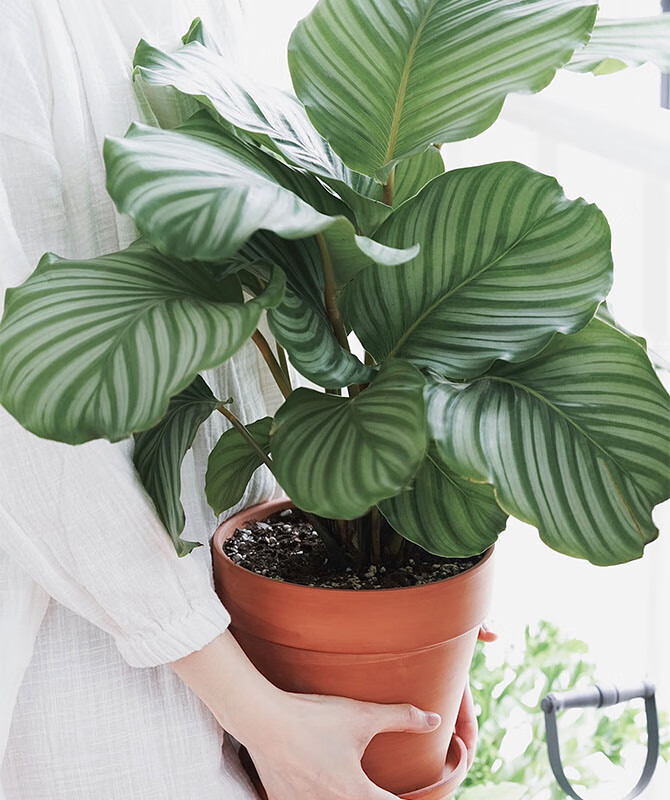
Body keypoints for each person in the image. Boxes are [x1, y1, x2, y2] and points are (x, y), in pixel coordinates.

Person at [0, 2, 484, 798]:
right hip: (101, 664)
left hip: (248, 636)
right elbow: (28, 432)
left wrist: (397, 614)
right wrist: (259, 712)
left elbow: (262, 293)